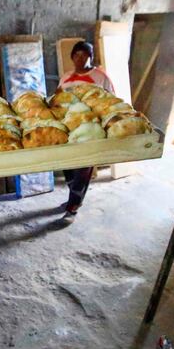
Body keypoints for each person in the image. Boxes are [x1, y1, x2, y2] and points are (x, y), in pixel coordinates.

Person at [52, 41, 115, 228]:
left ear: (91, 57)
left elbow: (110, 101)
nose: (80, 58)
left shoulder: (100, 76)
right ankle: (74, 196)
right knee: (67, 165)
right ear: (72, 57)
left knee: (83, 170)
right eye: (76, 55)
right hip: (69, 127)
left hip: (90, 130)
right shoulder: (66, 77)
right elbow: (57, 98)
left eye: (84, 55)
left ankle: (72, 208)